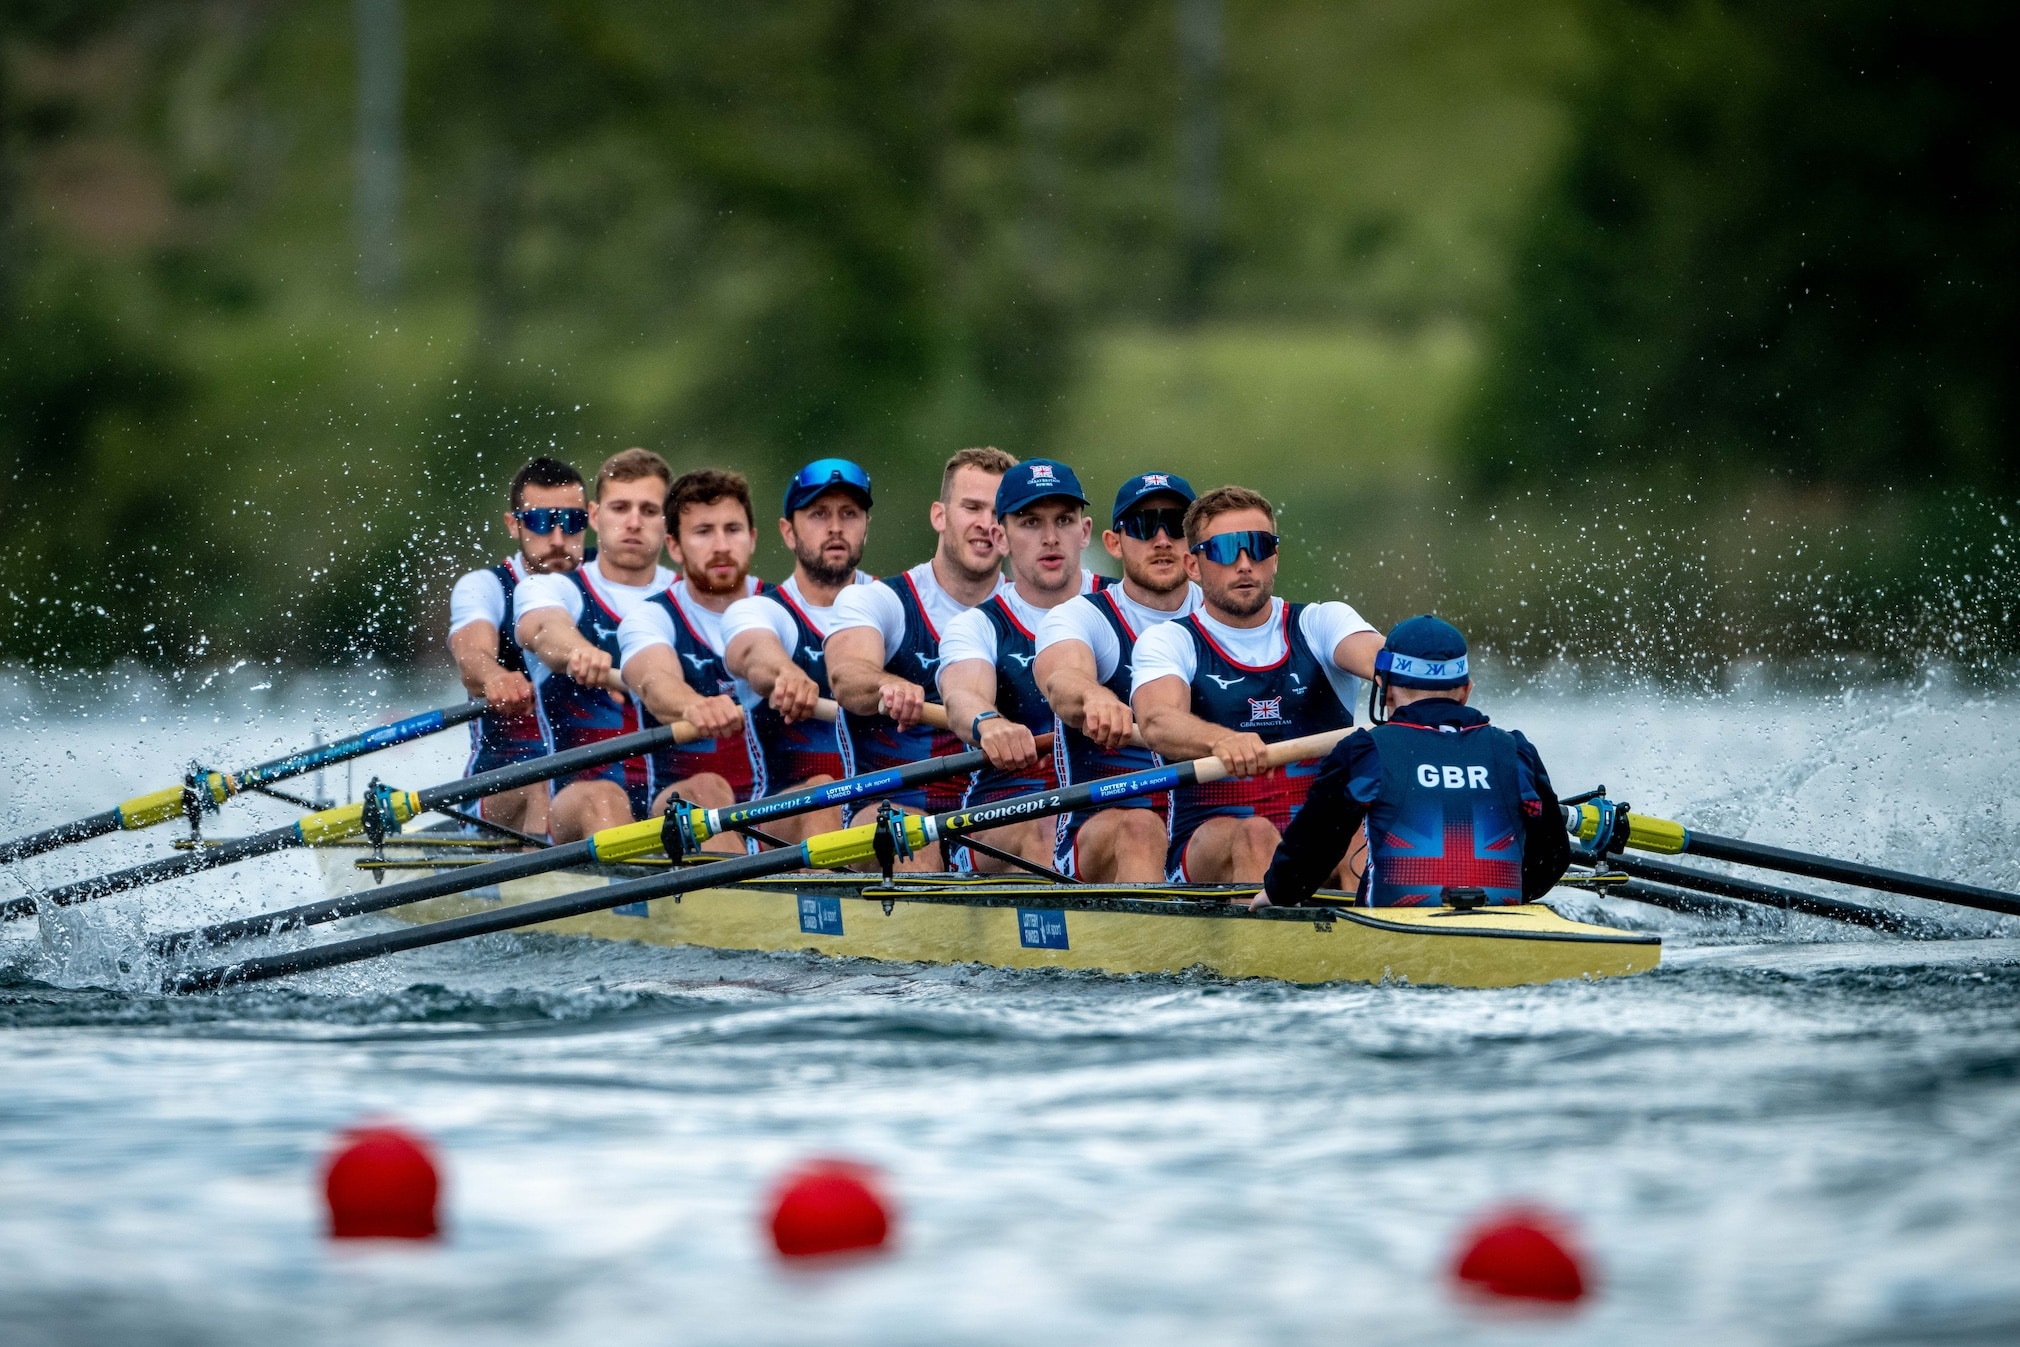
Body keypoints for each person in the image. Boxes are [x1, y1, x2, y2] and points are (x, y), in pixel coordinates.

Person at [1131, 486, 1383, 883]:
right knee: (1256, 835)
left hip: (1319, 839)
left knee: (1358, 832)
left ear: (1275, 558)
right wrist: (1219, 741)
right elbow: (1157, 720)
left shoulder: (1320, 623)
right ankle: (1273, 938)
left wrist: (1411, 675)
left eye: (1258, 547)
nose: (1244, 564)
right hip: (1210, 848)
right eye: (1225, 550)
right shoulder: (1170, 640)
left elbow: (1380, 658)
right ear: (1192, 566)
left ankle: (1371, 938)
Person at [1251, 615, 1571, 909]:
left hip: (1391, 947)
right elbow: (1553, 858)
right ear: (1466, 691)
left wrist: (1276, 894)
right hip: (1503, 933)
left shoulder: (1364, 751)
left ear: (1386, 690)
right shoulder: (1515, 751)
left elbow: (1312, 849)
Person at [825, 446, 1014, 872]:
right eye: (971, 508)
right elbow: (846, 674)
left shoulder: (1035, 618)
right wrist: (883, 685)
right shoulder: (879, 601)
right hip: (888, 813)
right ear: (939, 516)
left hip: (990, 821)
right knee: (915, 837)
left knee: (1042, 831)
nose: (986, 524)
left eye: (998, 511)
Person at [938, 459, 1108, 870]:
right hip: (1006, 814)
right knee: (1047, 827)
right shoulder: (978, 625)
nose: (1050, 538)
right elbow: (962, 696)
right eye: (1031, 523)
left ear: (1083, 532)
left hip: (1110, 809)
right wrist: (989, 723)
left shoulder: (1123, 608)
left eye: (1063, 520)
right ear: (1001, 538)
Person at [1034, 471, 1203, 881]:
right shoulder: (1081, 616)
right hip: (1104, 832)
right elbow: (1062, 678)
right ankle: (1151, 942)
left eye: (1177, 525)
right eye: (1145, 527)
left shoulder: (1235, 614)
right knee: (1141, 827)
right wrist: (1095, 698)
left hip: (1206, 831)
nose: (1162, 540)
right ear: (1113, 543)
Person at [514, 448, 677, 843]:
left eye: (648, 510)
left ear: (668, 522)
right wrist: (577, 652)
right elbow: (543, 629)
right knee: (604, 799)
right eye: (620, 508)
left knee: (706, 793)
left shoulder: (691, 600)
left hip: (677, 800)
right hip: (579, 800)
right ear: (594, 515)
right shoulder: (550, 586)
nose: (634, 522)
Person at [719, 458, 876, 846]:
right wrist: (784, 674)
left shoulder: (895, 608)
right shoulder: (760, 609)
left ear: (866, 528)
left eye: (849, 514)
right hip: (779, 821)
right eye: (819, 514)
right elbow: (754, 651)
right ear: (788, 533)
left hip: (882, 813)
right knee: (827, 793)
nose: (836, 527)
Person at [616, 468, 763, 854]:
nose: (720, 546)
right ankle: (748, 904)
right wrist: (695, 706)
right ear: (675, 546)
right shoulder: (650, 618)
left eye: (732, 530)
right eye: (702, 532)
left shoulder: (784, 610)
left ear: (752, 538)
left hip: (776, 807)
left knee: (822, 790)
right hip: (676, 805)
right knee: (707, 787)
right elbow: (654, 683)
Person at [445, 456, 588, 835]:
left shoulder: (607, 587)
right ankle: (548, 889)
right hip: (502, 787)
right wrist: (495, 678)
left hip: (596, 784)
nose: (558, 539)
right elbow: (471, 658)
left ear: (591, 519)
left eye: (572, 523)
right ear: (514, 525)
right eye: (541, 523)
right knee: (547, 779)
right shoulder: (485, 587)